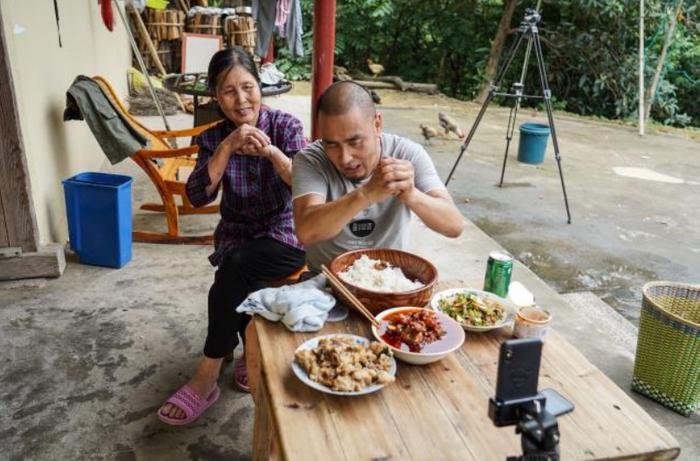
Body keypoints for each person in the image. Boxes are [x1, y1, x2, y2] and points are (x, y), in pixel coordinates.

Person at [158, 47, 306, 426]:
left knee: (236, 268)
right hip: (238, 235)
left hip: (286, 234)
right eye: (228, 91)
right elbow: (195, 196)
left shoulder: (286, 126)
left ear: (260, 87)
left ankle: (207, 373)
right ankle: (246, 356)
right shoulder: (213, 138)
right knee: (242, 274)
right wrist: (226, 147)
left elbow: (307, 186)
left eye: (248, 87)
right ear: (215, 95)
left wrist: (271, 152)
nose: (241, 100)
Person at [292, 81, 464, 270]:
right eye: (331, 144)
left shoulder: (407, 154)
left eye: (355, 141)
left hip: (390, 278)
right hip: (323, 282)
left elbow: (454, 226)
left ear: (377, 124)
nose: (345, 157)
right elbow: (306, 231)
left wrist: (411, 195)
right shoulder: (311, 159)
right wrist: (366, 194)